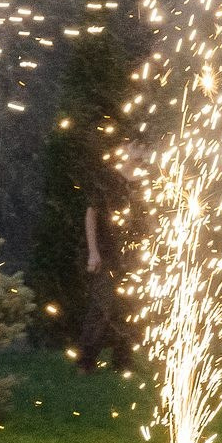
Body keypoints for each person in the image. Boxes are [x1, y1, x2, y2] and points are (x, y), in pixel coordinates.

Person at [71, 141, 143, 374]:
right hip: (109, 252)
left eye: (144, 148)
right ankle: (86, 360)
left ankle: (123, 360)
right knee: (102, 306)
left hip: (135, 254)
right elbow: (91, 215)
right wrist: (93, 251)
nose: (141, 153)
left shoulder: (144, 181)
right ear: (127, 148)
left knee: (130, 306)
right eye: (136, 147)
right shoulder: (108, 179)